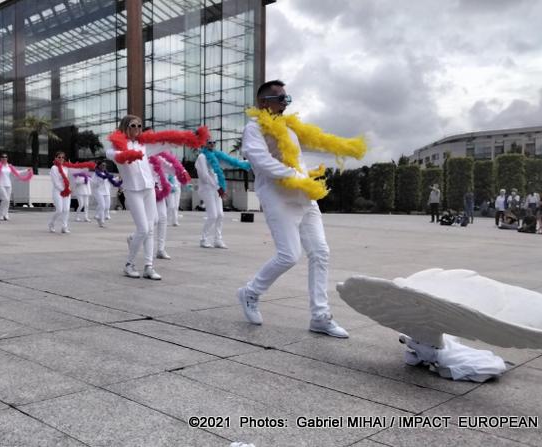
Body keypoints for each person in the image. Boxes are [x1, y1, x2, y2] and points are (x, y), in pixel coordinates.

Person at [236, 79, 367, 337]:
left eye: (288, 98)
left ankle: (320, 317)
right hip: (277, 196)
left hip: (304, 197)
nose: (286, 103)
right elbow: (260, 161)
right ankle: (250, 293)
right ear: (264, 102)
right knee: (288, 255)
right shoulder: (254, 129)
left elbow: (299, 157)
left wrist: (309, 175)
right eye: (281, 98)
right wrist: (296, 177)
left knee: (320, 253)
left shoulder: (289, 127)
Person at [106, 115, 206, 280]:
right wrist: (127, 155)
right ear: (125, 126)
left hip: (149, 189)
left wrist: (189, 139)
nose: (137, 128)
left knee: (151, 229)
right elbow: (114, 155)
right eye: (133, 125)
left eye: (140, 125)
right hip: (132, 190)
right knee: (143, 229)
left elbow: (166, 143)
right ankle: (129, 264)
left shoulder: (144, 145)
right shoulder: (115, 146)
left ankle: (148, 266)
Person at [195, 139, 251, 248]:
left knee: (220, 214)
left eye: (214, 142)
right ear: (204, 144)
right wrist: (218, 188)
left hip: (216, 188)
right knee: (213, 216)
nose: (212, 144)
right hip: (207, 189)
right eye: (209, 142)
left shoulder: (215, 155)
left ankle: (218, 239)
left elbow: (229, 163)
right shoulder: (201, 157)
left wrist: (246, 163)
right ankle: (203, 239)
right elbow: (205, 176)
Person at [149, 150, 191, 260]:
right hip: (146, 191)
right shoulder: (141, 153)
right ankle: (134, 239)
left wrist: (181, 171)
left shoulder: (158, 157)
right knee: (153, 220)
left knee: (163, 218)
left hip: (158, 191)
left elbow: (169, 167)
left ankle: (160, 249)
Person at [48, 152, 95, 233]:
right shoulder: (54, 168)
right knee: (59, 210)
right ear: (55, 158)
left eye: (63, 157)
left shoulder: (66, 167)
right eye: (59, 157)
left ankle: (64, 227)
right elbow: (56, 182)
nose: (61, 159)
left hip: (67, 191)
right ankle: (51, 223)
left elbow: (77, 171)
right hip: (58, 191)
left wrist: (88, 165)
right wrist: (64, 189)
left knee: (66, 210)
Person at [0, 153, 33, 221]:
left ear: (7, 159)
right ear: (0, 159)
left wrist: (26, 170)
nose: (4, 158)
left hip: (8, 185)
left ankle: (5, 214)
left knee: (7, 201)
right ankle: (1, 214)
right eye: (3, 157)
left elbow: (17, 172)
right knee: (5, 199)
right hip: (1, 184)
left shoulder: (9, 166)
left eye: (5, 157)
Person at [91, 160, 122, 227]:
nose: (104, 166)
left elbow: (112, 180)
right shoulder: (96, 174)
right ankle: (101, 221)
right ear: (99, 166)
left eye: (105, 165)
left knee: (107, 206)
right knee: (102, 206)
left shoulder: (106, 174)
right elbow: (93, 183)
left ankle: (98, 217)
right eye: (102, 165)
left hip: (106, 192)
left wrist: (120, 179)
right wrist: (101, 180)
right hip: (98, 191)